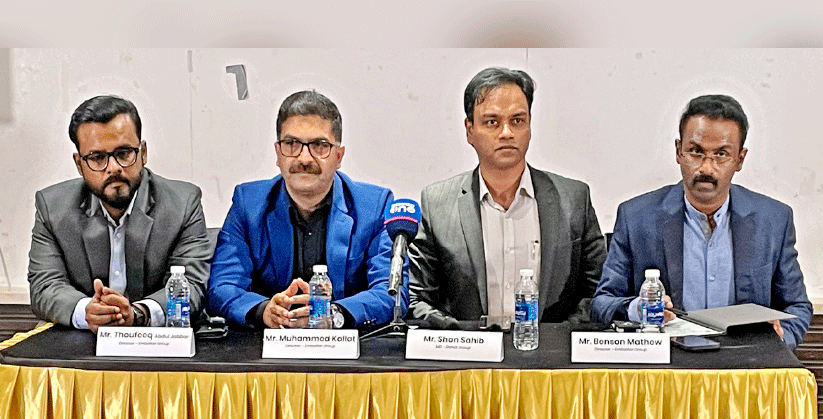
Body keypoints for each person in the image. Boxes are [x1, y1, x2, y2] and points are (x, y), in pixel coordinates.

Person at [591, 94, 812, 348]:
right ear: (679, 152)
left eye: (721, 154)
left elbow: (797, 306)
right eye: (696, 152)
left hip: (744, 365)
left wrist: (778, 342)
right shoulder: (637, 217)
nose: (706, 168)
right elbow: (602, 304)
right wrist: (638, 308)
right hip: (668, 364)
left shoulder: (773, 220)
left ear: (739, 159)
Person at [409, 67, 606, 326]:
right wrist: (459, 334)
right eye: (492, 122)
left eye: (517, 121)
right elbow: (417, 298)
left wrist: (556, 337)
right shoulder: (437, 204)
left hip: (550, 349)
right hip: (467, 349)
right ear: (469, 130)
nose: (506, 133)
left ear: (530, 125)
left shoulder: (573, 199)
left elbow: (598, 293)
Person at [207, 90, 406, 330]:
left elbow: (391, 292)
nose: (304, 158)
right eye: (291, 144)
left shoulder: (375, 206)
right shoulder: (248, 204)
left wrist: (334, 314)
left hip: (346, 346)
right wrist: (264, 311)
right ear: (278, 153)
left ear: (339, 156)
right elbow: (222, 286)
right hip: (268, 345)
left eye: (319, 145)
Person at [28, 95, 212, 332]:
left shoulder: (183, 203)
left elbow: (192, 285)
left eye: (124, 153)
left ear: (143, 152)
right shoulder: (52, 208)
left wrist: (138, 314)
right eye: (97, 158)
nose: (113, 167)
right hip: (81, 342)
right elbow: (44, 286)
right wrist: (88, 311)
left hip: (155, 341)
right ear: (79, 164)